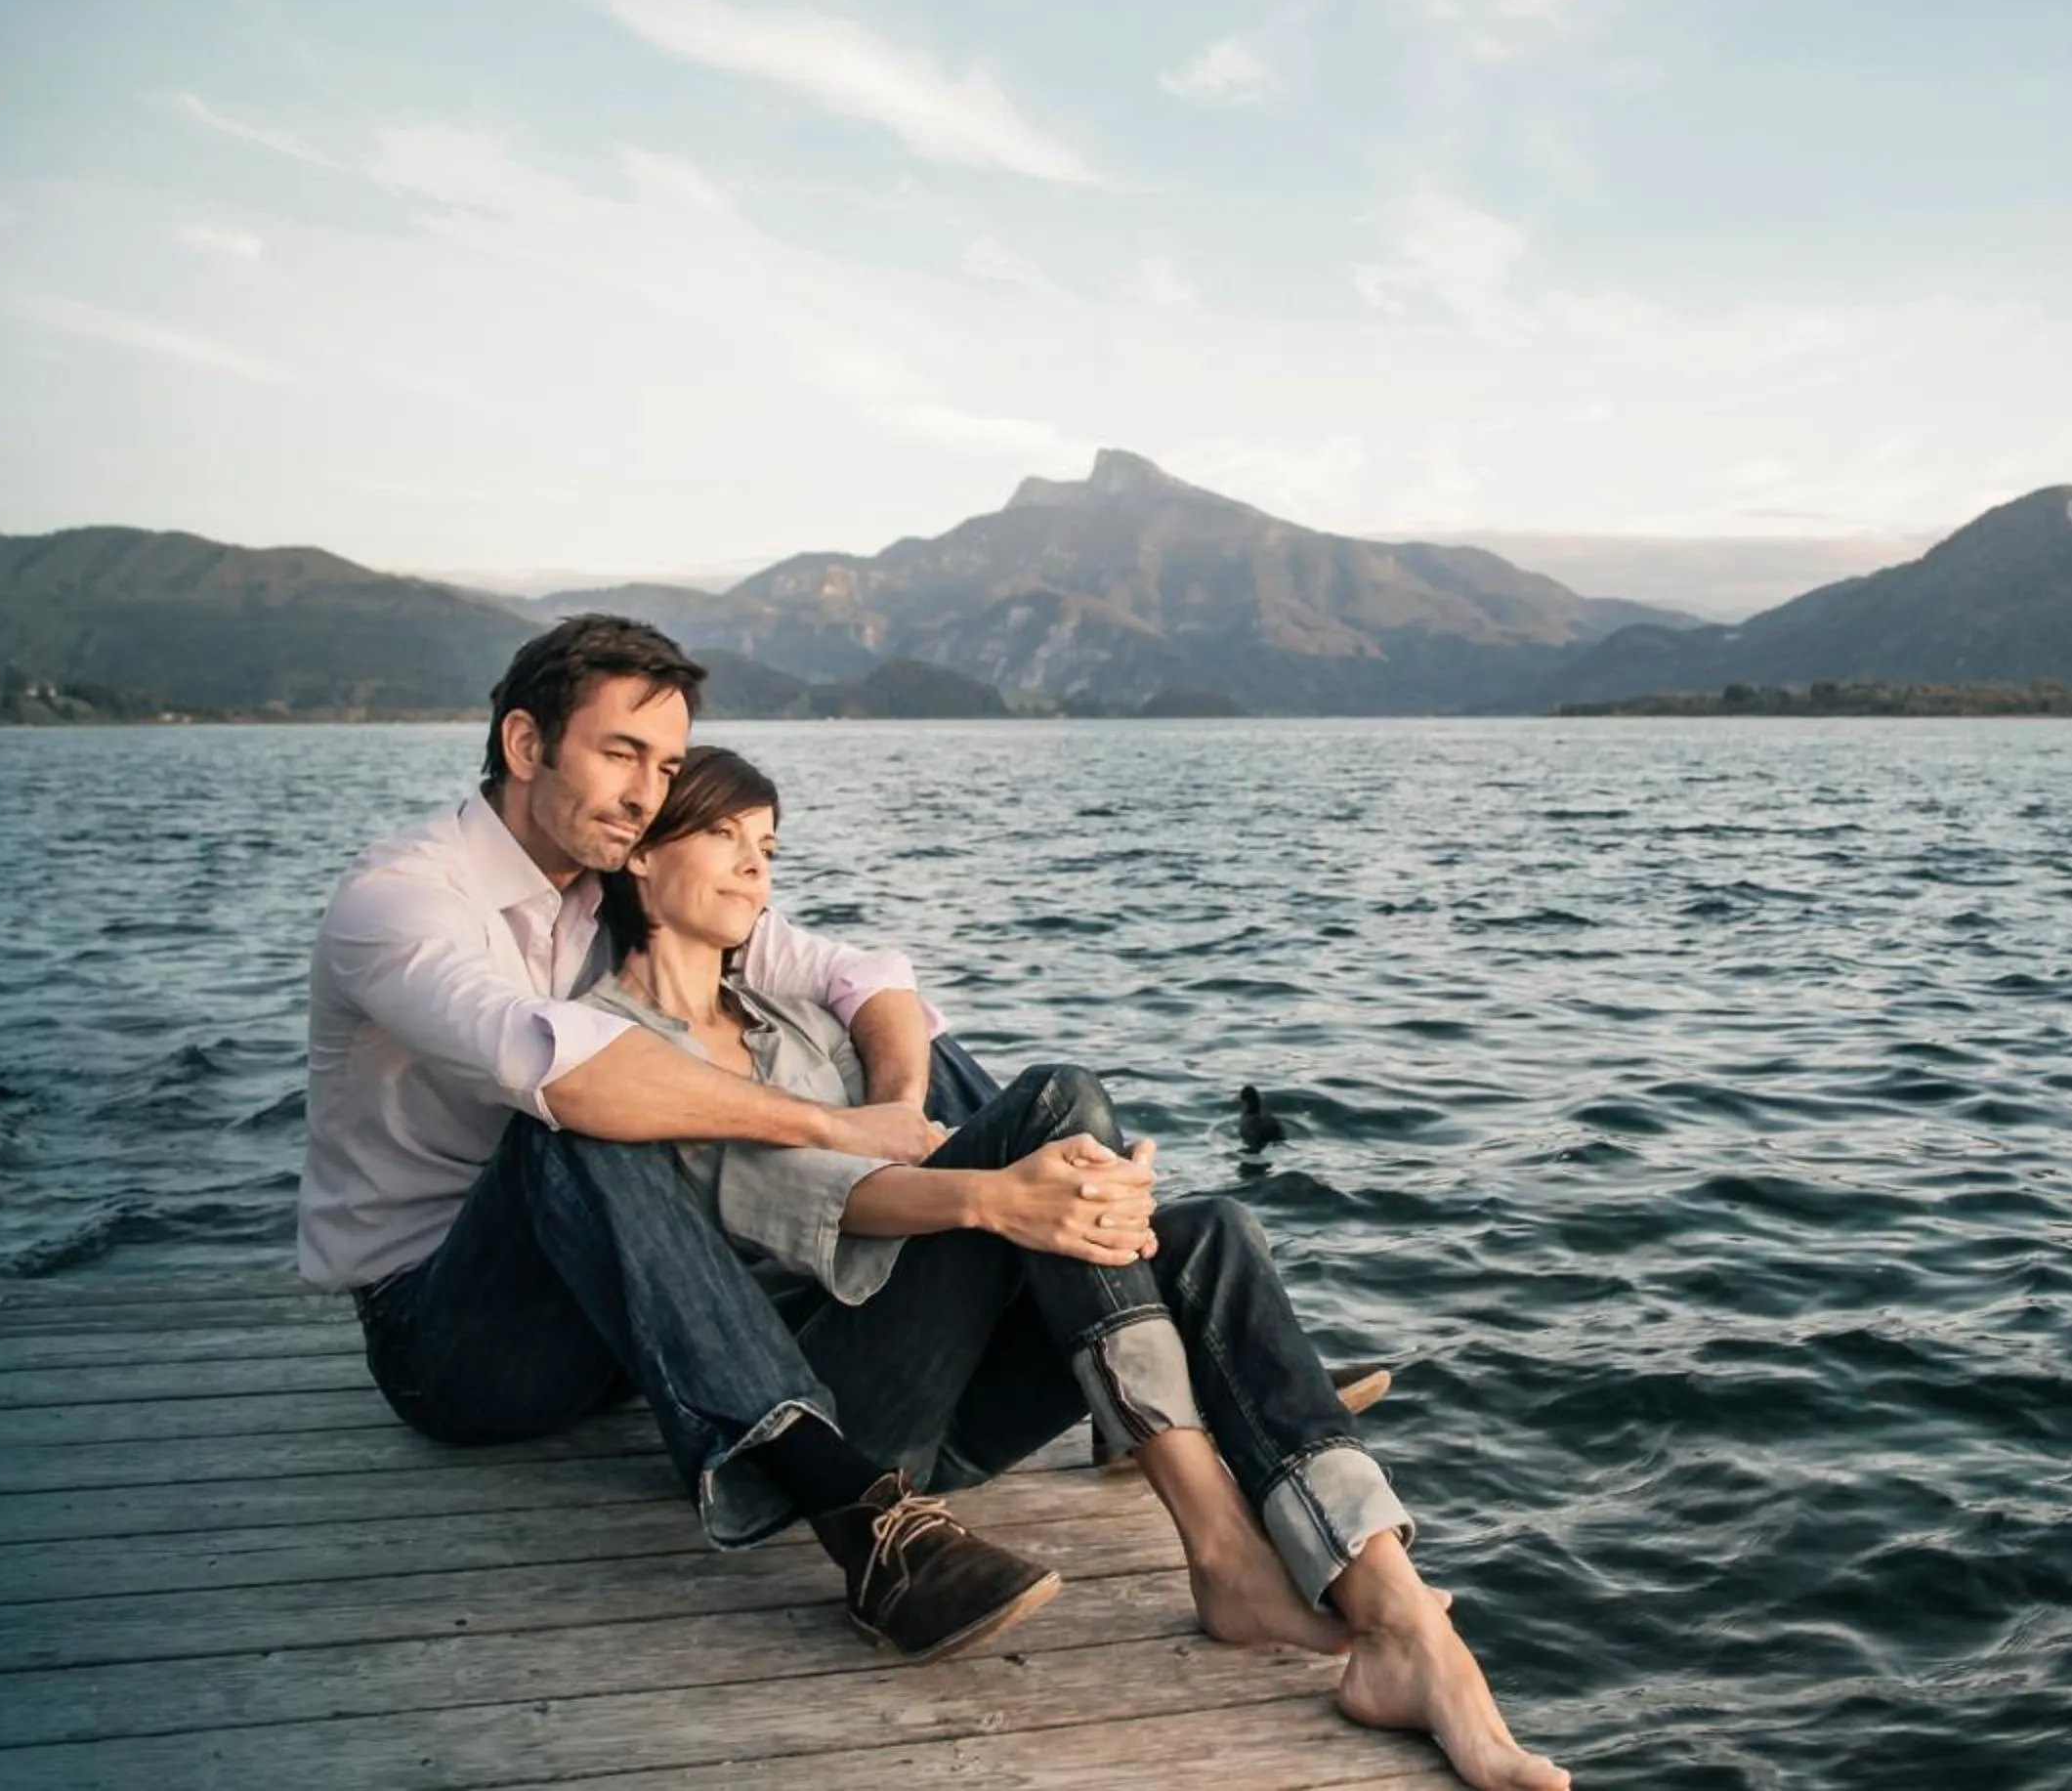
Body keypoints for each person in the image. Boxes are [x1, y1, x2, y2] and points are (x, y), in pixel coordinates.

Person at [297, 615, 1567, 1789]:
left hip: (628, 1306)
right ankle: (868, 1510)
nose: (644, 790)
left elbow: (860, 971)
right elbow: (571, 1074)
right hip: (454, 1327)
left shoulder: (619, 873)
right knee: (576, 1116)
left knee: (1184, 1214)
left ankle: (1390, 1608)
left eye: (664, 762)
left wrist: (916, 1116)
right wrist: (874, 1141)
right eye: (620, 753)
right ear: (525, 743)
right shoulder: (406, 904)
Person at [583, 742, 1567, 1791]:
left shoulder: (796, 1018)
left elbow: (891, 1042)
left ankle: (1402, 1617)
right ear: (640, 854)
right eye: (724, 835)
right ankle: (1224, 1549)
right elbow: (791, 1201)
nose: (755, 867)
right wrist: (1002, 1193)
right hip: (832, 1413)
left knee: (1212, 1232)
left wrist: (1084, 1200)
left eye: (768, 845)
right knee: (1058, 1107)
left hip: (951, 1403)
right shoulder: (612, 1044)